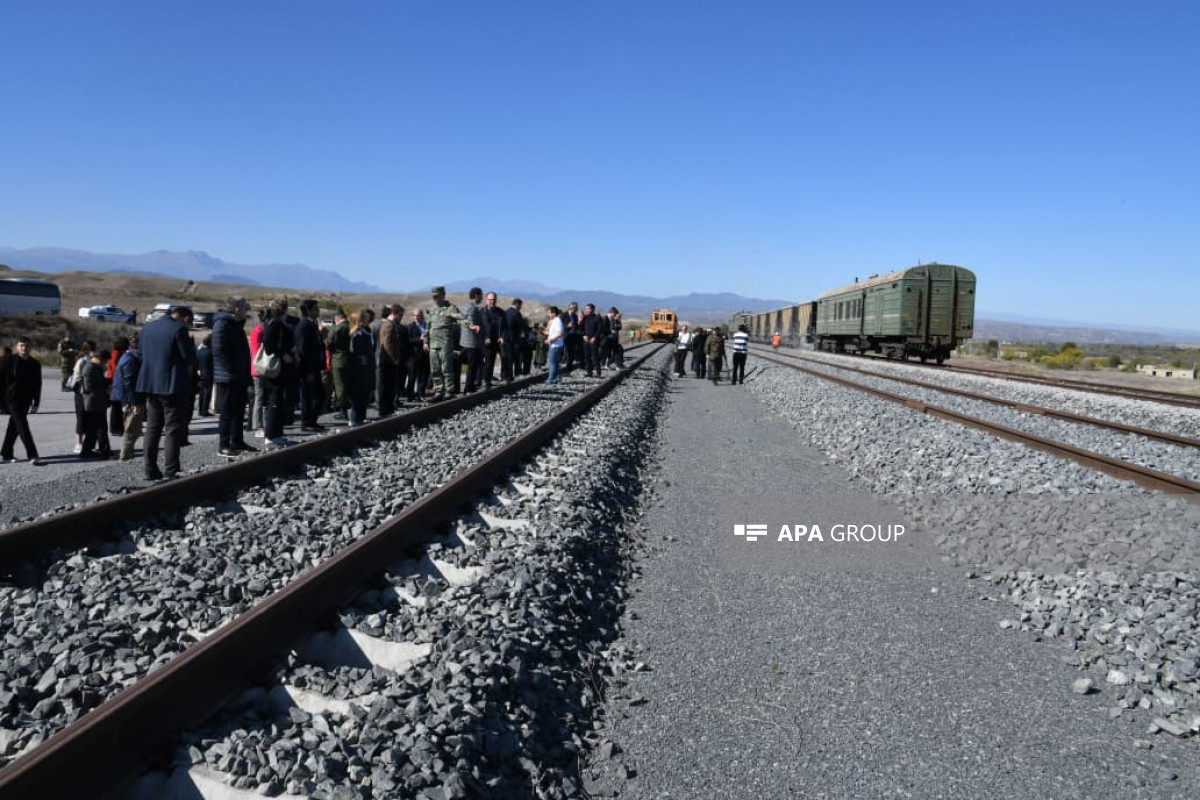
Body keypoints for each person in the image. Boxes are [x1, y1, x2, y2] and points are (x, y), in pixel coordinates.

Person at [137, 306, 196, 479]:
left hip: (150, 383)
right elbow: (188, 357)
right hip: (171, 384)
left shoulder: (147, 328)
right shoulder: (178, 329)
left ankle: (149, 468)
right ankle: (171, 469)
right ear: (185, 318)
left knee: (153, 428)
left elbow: (141, 353)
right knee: (172, 428)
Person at [212, 296, 254, 458]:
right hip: (228, 376)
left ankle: (237, 440)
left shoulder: (235, 325)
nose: (246, 310)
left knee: (238, 410)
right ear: (236, 309)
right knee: (227, 411)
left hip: (239, 374)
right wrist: (231, 370)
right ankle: (223, 445)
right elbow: (219, 350)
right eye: (244, 307)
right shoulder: (222, 324)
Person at [260, 298, 296, 447]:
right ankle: (270, 435)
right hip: (278, 369)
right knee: (275, 401)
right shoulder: (275, 324)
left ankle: (277, 433)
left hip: (282, 369)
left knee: (278, 401)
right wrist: (283, 354)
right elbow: (269, 345)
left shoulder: (277, 323)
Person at [1, 336, 42, 465]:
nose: (24, 348)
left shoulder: (35, 364)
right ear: (16, 347)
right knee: (23, 426)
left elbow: (37, 384)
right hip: (11, 399)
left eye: (27, 345)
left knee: (14, 426)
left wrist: (36, 401)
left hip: (26, 399)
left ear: (31, 347)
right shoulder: (8, 361)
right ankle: (32, 454)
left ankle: (6, 452)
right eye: (21, 345)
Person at [424, 286, 466, 401]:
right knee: (435, 369)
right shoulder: (433, 310)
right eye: (433, 296)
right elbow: (428, 327)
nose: (435, 299)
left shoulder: (450, 308)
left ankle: (449, 390)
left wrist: (471, 326)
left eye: (436, 296)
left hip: (445, 344)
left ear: (443, 295)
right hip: (433, 345)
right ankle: (438, 391)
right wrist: (426, 341)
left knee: (446, 368)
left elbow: (461, 319)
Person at [111, 334, 144, 461]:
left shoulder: (128, 357)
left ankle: (127, 454)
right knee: (131, 428)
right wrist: (134, 401)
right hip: (132, 398)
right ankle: (125, 456)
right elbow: (128, 381)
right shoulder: (132, 359)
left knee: (134, 428)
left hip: (129, 397)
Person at [295, 299, 325, 431]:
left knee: (317, 395)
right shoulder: (303, 326)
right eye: (316, 308)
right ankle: (307, 422)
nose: (318, 311)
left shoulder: (312, 325)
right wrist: (308, 371)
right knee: (308, 396)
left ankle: (312, 421)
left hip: (315, 367)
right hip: (308, 369)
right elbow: (302, 350)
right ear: (309, 311)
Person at [79, 349, 112, 459]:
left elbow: (100, 381)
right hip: (93, 402)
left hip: (97, 402)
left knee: (92, 429)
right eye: (105, 361)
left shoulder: (96, 367)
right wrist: (104, 388)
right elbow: (89, 387)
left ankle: (87, 451)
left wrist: (108, 381)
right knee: (100, 428)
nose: (105, 364)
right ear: (99, 359)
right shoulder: (89, 368)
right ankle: (104, 451)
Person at [347, 311, 375, 425]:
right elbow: (358, 354)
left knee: (364, 396)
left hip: (365, 369)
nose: (368, 318)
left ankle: (360, 418)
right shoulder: (357, 335)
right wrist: (366, 365)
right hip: (360, 370)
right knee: (358, 397)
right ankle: (354, 420)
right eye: (365, 317)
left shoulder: (364, 333)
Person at [325, 308, 351, 421]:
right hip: (350, 359)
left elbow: (329, 344)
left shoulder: (336, 329)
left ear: (337, 318)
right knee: (347, 385)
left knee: (339, 386)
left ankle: (343, 411)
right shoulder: (352, 327)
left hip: (338, 359)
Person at [459, 287, 485, 393]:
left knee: (474, 365)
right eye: (481, 295)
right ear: (476, 295)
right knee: (472, 366)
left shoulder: (467, 306)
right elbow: (470, 322)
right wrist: (474, 327)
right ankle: (468, 387)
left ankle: (471, 386)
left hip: (469, 342)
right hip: (472, 342)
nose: (482, 298)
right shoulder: (471, 308)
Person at [482, 291, 505, 388]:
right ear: (486, 300)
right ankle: (486, 381)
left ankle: (504, 378)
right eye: (490, 299)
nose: (492, 301)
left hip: (499, 340)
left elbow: (505, 326)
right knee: (489, 362)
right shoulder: (482, 312)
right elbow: (480, 327)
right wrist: (485, 338)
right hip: (487, 341)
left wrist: (502, 336)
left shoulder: (501, 312)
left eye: (494, 299)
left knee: (505, 358)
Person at [107, 336, 130, 435]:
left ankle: (118, 427)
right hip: (114, 381)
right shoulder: (116, 353)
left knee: (117, 406)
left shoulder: (119, 353)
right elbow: (115, 366)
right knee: (116, 406)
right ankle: (115, 428)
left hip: (115, 380)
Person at [406, 308, 429, 401]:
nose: (417, 317)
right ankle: (410, 395)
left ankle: (421, 394)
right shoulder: (410, 327)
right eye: (415, 315)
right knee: (412, 376)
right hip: (413, 356)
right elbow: (408, 340)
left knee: (423, 376)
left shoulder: (427, 325)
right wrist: (419, 339)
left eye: (419, 315)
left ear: (422, 316)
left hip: (425, 355)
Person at [502, 298, 527, 382]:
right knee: (514, 357)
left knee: (507, 358)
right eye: (520, 306)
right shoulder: (516, 313)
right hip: (514, 339)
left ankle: (506, 375)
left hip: (505, 338)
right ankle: (513, 375)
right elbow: (521, 326)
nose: (520, 307)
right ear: (517, 304)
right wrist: (525, 331)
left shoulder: (506, 312)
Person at [580, 303, 603, 377]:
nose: (586, 310)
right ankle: (589, 372)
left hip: (594, 340)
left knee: (595, 357)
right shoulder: (585, 318)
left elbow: (599, 329)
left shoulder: (597, 318)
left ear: (593, 309)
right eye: (586, 308)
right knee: (587, 357)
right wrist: (583, 335)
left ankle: (598, 373)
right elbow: (580, 329)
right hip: (586, 340)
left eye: (588, 308)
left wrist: (595, 337)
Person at [545, 306, 565, 384]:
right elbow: (553, 333)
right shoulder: (555, 321)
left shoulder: (557, 321)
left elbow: (559, 333)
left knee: (552, 363)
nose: (549, 314)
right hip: (555, 345)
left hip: (556, 346)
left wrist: (550, 340)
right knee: (555, 363)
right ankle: (558, 377)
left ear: (553, 313)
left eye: (549, 313)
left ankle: (550, 379)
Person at [195, 335, 214, 417]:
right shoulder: (210, 353)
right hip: (208, 374)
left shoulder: (199, 351)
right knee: (207, 393)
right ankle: (204, 410)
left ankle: (200, 409)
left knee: (202, 393)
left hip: (200, 373)